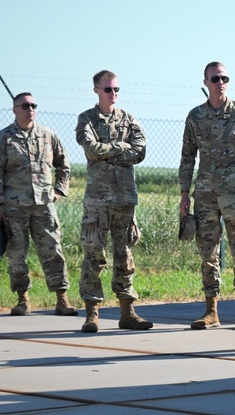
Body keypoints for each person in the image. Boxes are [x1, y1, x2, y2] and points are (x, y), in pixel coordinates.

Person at [179, 62, 235, 330]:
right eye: (215, 78)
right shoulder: (195, 116)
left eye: (225, 78)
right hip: (204, 194)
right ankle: (211, 311)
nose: (221, 82)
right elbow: (187, 156)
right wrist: (184, 193)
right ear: (206, 82)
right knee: (207, 253)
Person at [0, 92, 78, 318]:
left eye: (33, 105)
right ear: (15, 109)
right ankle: (23, 299)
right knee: (17, 254)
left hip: (44, 206)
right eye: (25, 105)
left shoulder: (47, 135)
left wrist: (59, 190)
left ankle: (62, 299)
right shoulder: (3, 138)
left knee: (53, 251)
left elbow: (63, 165)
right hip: (13, 207)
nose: (30, 109)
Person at [74, 70, 152, 333]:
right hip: (98, 200)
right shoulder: (87, 119)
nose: (113, 93)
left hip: (125, 199)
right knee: (94, 255)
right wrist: (121, 148)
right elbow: (91, 148)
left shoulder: (128, 118)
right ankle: (92, 313)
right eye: (108, 89)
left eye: (116, 89)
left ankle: (127, 312)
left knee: (125, 256)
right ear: (97, 90)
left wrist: (111, 150)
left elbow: (140, 150)